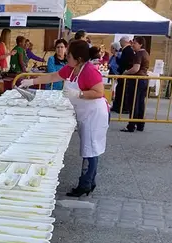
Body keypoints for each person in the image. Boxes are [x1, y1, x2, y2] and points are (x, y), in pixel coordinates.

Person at [20, 40, 108, 197]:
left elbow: (99, 92)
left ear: (79, 58)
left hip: (94, 113)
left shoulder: (89, 71)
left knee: (91, 148)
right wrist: (32, 81)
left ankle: (86, 184)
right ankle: (89, 180)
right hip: (83, 112)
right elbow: (53, 76)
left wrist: (79, 94)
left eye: (69, 55)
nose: (66, 57)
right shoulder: (72, 69)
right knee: (88, 146)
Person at [121, 36, 150, 133]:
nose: (133, 45)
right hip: (143, 80)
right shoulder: (146, 53)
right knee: (141, 103)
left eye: (135, 43)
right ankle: (140, 125)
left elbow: (136, 68)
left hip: (137, 80)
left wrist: (126, 72)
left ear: (140, 44)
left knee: (133, 103)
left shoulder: (138, 54)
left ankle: (131, 125)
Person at [111, 36, 135, 113]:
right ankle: (118, 106)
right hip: (123, 72)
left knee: (122, 90)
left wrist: (117, 58)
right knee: (120, 90)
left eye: (120, 41)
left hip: (124, 73)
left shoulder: (127, 50)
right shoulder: (126, 50)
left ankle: (123, 107)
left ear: (124, 41)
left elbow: (123, 62)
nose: (120, 43)